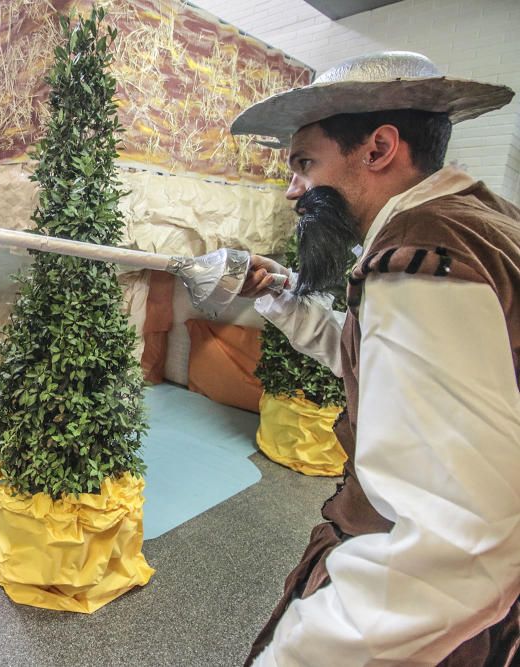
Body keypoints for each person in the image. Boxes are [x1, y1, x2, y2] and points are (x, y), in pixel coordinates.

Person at [230, 52, 520, 665]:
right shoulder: (477, 222)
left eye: (305, 164)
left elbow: (461, 540)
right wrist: (283, 297)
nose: (292, 190)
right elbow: (378, 362)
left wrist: (295, 657)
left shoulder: (421, 256)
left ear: (380, 148)